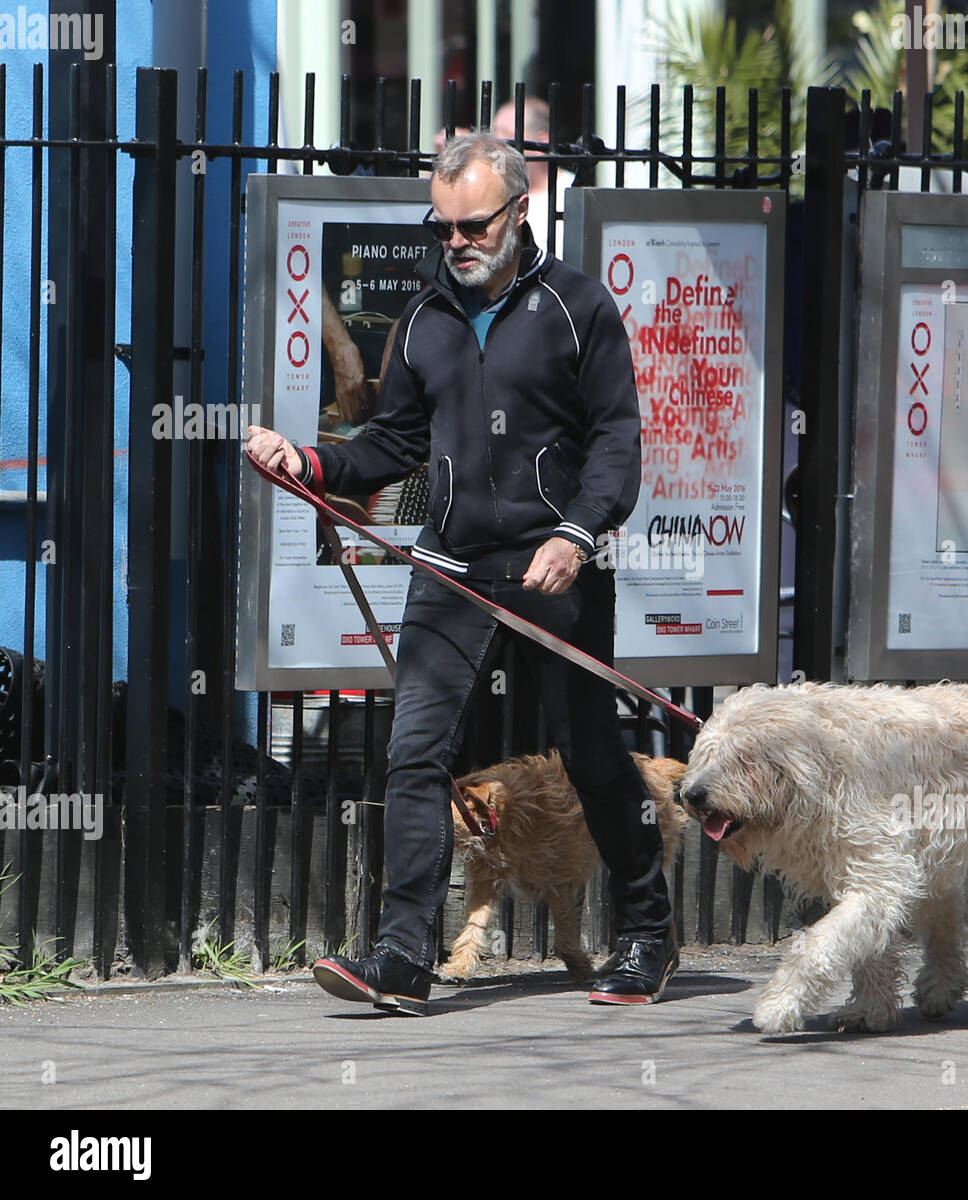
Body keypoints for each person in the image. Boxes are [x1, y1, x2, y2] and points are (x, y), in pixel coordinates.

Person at [245, 132, 677, 1012]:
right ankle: (403, 954)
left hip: (554, 567)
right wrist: (311, 464)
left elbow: (617, 442)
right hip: (449, 565)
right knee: (413, 754)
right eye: (442, 230)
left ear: (519, 211)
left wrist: (580, 534)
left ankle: (646, 931)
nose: (457, 244)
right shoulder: (423, 319)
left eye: (473, 226)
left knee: (590, 751)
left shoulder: (578, 309)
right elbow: (395, 442)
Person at [494, 98, 575, 256]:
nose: (497, 149)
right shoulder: (493, 192)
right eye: (495, 138)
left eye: (508, 138)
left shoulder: (572, 192)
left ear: (542, 143)